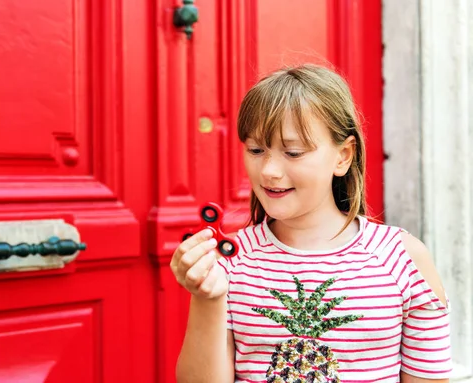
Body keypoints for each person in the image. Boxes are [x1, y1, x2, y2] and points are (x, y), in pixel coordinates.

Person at [170, 65, 451, 383]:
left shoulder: (404, 259)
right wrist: (208, 298)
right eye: (256, 150)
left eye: (293, 152)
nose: (269, 171)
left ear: (343, 156)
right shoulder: (232, 260)